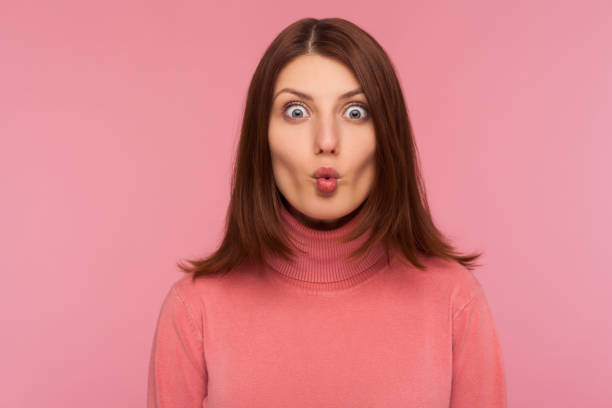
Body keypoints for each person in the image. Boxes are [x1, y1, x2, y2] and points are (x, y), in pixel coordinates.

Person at [147, 17, 507, 407]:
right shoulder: (194, 310)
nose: (326, 141)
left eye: (355, 112)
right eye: (297, 112)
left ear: (388, 135)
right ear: (261, 136)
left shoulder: (454, 300)